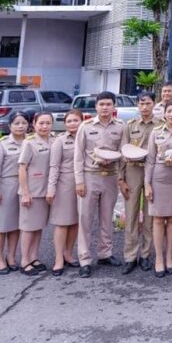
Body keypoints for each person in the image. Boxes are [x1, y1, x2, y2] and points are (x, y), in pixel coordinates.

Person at [74, 91, 127, 278]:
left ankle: (105, 253)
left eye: (108, 104)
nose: (105, 107)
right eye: (101, 104)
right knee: (85, 219)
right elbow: (78, 155)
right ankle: (84, 258)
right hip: (90, 176)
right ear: (96, 106)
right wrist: (79, 181)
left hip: (110, 177)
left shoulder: (120, 127)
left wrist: (120, 177)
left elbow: (124, 154)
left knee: (106, 218)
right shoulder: (86, 126)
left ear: (114, 107)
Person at [146, 100, 172, 276]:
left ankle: (170, 256)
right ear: (164, 114)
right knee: (157, 220)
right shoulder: (156, 132)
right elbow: (149, 159)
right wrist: (147, 184)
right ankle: (159, 259)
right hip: (159, 178)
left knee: (171, 220)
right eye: (169, 111)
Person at [0, 112, 26, 275]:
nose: (20, 126)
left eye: (23, 123)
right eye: (16, 123)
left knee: (16, 225)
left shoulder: (30, 142)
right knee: (0, 225)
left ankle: (11, 257)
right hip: (5, 185)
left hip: (23, 187)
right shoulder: (1, 144)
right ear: (10, 126)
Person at [120, 93, 155, 274]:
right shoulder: (130, 125)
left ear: (153, 104)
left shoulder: (160, 125)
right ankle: (130, 256)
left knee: (150, 216)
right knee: (131, 214)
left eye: (148, 103)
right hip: (133, 170)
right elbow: (123, 152)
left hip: (153, 172)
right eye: (141, 103)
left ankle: (146, 254)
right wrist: (121, 178)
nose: (144, 107)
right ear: (138, 105)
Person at [45, 108, 82, 276]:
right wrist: (51, 188)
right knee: (62, 222)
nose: (72, 124)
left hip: (82, 184)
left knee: (75, 221)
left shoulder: (86, 138)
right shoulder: (59, 141)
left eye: (76, 120)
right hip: (64, 184)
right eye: (69, 121)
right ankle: (58, 258)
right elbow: (54, 166)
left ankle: (68, 253)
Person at [18, 111, 54, 275]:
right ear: (34, 124)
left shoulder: (54, 140)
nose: (44, 126)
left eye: (48, 123)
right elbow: (22, 168)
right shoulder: (29, 142)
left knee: (38, 226)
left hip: (45, 191)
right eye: (41, 123)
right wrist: (25, 192)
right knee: (28, 227)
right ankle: (25, 260)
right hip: (32, 190)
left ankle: (34, 256)